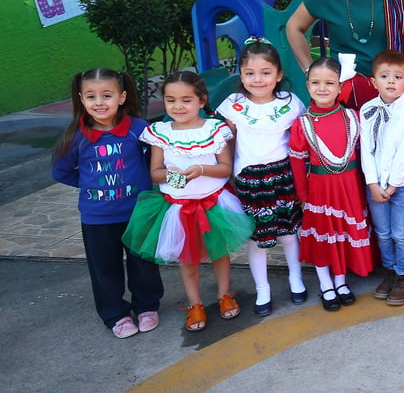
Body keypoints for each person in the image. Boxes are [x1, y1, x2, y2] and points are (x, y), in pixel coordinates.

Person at [122, 72, 252, 332]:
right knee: (187, 259)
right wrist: (175, 176)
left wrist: (202, 169)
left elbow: (225, 168)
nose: (178, 107)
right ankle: (195, 304)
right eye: (171, 100)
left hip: (213, 204)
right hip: (178, 207)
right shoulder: (160, 132)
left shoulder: (214, 129)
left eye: (186, 100)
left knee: (219, 253)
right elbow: (155, 172)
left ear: (201, 101)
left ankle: (224, 295)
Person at [51, 68, 164, 339]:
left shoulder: (140, 129)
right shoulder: (76, 136)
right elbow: (61, 171)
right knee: (104, 268)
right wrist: (91, 185)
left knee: (143, 263)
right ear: (81, 99)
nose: (99, 102)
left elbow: (156, 162)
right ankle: (115, 314)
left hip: (138, 212)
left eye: (107, 95)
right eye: (91, 96)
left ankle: (147, 306)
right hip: (97, 218)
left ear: (122, 97)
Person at [216, 38, 307, 317]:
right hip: (249, 180)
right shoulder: (233, 105)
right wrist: (228, 174)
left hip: (282, 176)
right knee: (258, 238)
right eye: (250, 73)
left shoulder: (291, 102)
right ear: (241, 76)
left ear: (278, 75)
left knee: (290, 234)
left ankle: (296, 279)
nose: (258, 79)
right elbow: (227, 141)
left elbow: (299, 139)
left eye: (265, 73)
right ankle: (263, 288)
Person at [289, 57, 373, 311]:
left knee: (344, 234)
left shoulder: (353, 117)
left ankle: (341, 280)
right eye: (316, 83)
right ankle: (325, 283)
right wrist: (302, 197)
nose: (322, 88)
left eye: (329, 82)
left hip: (349, 189)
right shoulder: (301, 125)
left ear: (340, 87)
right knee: (324, 236)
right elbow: (296, 163)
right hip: (319, 191)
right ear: (307, 86)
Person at [359, 49, 404, 307]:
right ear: (374, 82)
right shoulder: (366, 109)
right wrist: (372, 183)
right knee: (383, 233)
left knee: (401, 233)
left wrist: (392, 184)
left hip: (403, 185)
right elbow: (365, 149)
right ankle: (389, 271)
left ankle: (403, 274)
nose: (391, 81)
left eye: (397, 76)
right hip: (375, 186)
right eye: (385, 76)